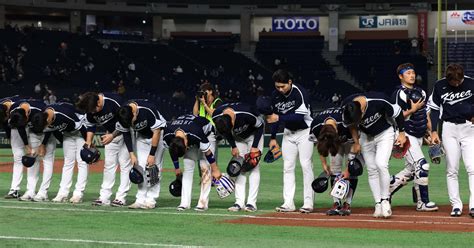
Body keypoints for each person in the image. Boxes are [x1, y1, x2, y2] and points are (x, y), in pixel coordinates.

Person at [342, 92, 406, 218]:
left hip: (385, 133)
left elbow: (398, 113)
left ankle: (385, 200)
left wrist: (402, 133)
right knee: (371, 169)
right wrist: (356, 142)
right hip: (366, 137)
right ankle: (377, 203)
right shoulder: (346, 107)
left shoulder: (379, 101)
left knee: (381, 164)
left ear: (361, 109)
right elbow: (352, 126)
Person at [390, 63, 438, 212]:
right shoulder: (399, 94)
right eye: (408, 73)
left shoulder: (421, 92)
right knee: (422, 166)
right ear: (400, 76)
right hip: (405, 135)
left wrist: (430, 133)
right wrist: (413, 109)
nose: (412, 75)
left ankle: (387, 187)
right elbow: (395, 117)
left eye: (413, 72)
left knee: (412, 170)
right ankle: (422, 202)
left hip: (418, 135)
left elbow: (426, 115)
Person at [427, 64, 474, 217]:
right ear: (448, 79)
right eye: (453, 82)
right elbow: (434, 109)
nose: (456, 84)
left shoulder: (471, 83)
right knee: (451, 169)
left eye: (458, 81)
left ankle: (473, 205)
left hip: (469, 128)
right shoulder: (440, 86)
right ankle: (456, 205)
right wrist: (434, 131)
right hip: (449, 129)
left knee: (472, 167)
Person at [266, 69, 315, 214]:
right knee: (287, 167)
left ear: (290, 82)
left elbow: (299, 117)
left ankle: (308, 203)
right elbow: (273, 118)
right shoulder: (275, 96)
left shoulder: (300, 93)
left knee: (306, 165)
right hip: (288, 133)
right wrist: (273, 137)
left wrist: (278, 118)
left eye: (283, 86)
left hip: (305, 132)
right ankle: (288, 203)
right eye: (277, 87)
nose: (280, 89)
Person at [76, 92, 132, 207]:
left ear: (98, 102)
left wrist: (113, 135)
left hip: (126, 134)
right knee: (109, 166)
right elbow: (91, 125)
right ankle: (104, 197)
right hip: (110, 136)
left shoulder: (114, 101)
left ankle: (121, 198)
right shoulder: (91, 107)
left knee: (125, 165)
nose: (92, 112)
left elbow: (127, 121)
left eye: (93, 110)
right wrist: (88, 142)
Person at [163, 114, 224, 211]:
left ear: (186, 142)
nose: (187, 149)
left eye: (186, 148)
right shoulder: (167, 134)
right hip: (188, 134)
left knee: (204, 167)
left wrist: (215, 169)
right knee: (188, 165)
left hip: (207, 134)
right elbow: (173, 150)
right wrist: (177, 168)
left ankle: (203, 203)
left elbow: (208, 153)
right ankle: (184, 203)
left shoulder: (195, 132)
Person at [31, 102, 88, 204]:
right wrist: (43, 144)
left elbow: (82, 127)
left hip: (81, 131)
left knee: (82, 162)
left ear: (48, 120)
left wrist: (88, 143)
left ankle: (78, 194)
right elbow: (50, 130)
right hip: (67, 134)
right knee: (68, 163)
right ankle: (63, 193)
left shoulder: (63, 114)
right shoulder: (43, 116)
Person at [212, 102, 264, 212]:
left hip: (254, 136)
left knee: (253, 166)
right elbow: (225, 132)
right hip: (238, 139)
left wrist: (254, 147)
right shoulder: (217, 116)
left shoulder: (246, 113)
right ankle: (239, 202)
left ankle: (251, 203)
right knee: (238, 168)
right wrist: (233, 146)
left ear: (232, 120)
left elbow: (260, 126)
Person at [117, 99, 166, 209]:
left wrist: (152, 154)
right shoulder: (123, 112)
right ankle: (140, 199)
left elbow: (157, 132)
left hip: (157, 136)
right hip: (142, 138)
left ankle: (151, 200)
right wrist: (131, 154)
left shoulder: (147, 109)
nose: (131, 124)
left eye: (132, 120)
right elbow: (126, 134)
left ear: (134, 113)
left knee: (153, 168)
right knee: (141, 168)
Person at [309, 107, 359, 216]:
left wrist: (348, 169)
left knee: (352, 170)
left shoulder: (344, 120)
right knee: (334, 170)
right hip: (335, 144)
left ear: (336, 129)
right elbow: (320, 144)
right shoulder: (316, 126)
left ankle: (347, 204)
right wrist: (324, 163)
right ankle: (336, 204)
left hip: (351, 140)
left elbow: (354, 131)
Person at [8, 99, 57, 202]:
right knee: (33, 160)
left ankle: (43, 193)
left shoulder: (40, 109)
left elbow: (50, 126)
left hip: (48, 133)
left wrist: (43, 144)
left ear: (27, 114)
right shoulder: (14, 111)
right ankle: (30, 191)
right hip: (34, 134)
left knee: (47, 161)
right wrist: (26, 145)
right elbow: (20, 127)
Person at [1, 95, 21, 198]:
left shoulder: (17, 106)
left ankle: (32, 191)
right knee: (17, 159)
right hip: (15, 128)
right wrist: (9, 136)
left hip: (29, 126)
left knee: (31, 158)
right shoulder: (2, 108)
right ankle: (14, 190)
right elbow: (5, 123)